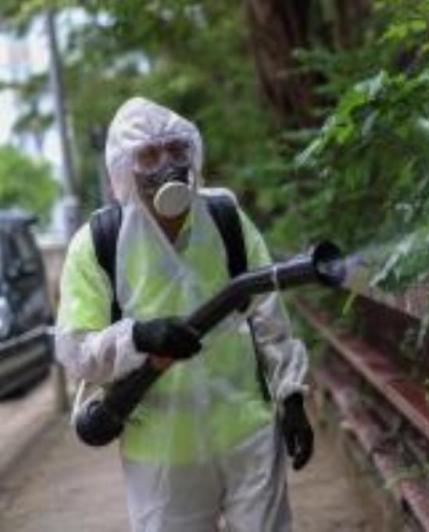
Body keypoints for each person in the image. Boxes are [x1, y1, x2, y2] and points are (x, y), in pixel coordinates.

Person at [55, 96, 313, 532]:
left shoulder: (224, 217)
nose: (167, 164)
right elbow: (77, 351)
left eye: (176, 149)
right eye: (149, 154)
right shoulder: (98, 242)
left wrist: (292, 399)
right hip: (162, 457)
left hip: (246, 433)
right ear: (124, 167)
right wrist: (138, 337)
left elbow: (269, 318)